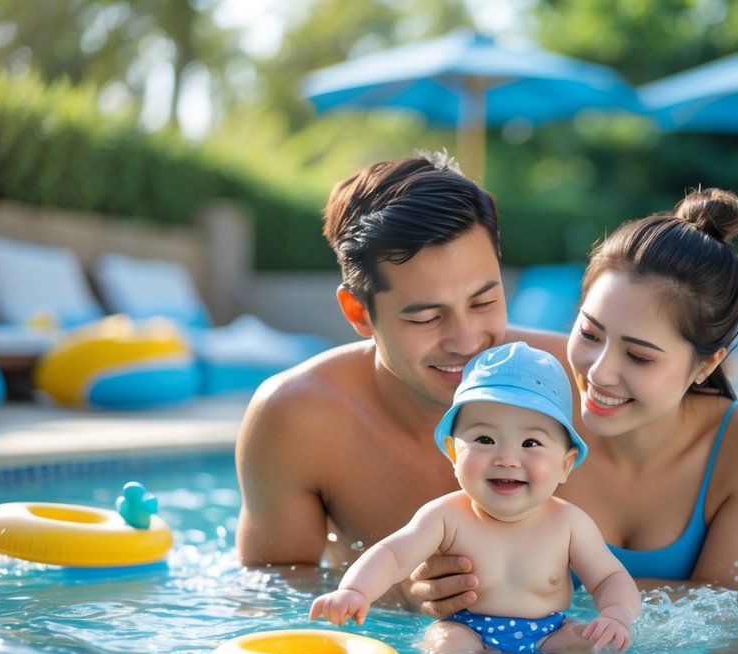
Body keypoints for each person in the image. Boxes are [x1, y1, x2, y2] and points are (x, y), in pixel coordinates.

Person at [410, 187, 738, 603]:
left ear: (706, 364)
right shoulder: (524, 391)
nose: (599, 371)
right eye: (589, 333)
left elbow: (727, 613)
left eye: (640, 356)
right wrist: (426, 586)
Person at [235, 152, 563, 609]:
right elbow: (268, 588)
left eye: (484, 302)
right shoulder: (300, 419)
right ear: (358, 313)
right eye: (428, 317)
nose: (467, 341)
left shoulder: (571, 380)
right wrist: (394, 590)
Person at [309, 342, 641, 654]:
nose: (507, 458)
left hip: (550, 633)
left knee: (586, 646)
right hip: (467, 631)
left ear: (565, 465)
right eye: (485, 438)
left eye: (531, 443)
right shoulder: (445, 517)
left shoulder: (569, 524)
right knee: (445, 643)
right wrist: (355, 591)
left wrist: (616, 615)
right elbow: (392, 555)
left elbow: (610, 577)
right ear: (453, 452)